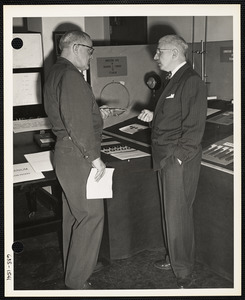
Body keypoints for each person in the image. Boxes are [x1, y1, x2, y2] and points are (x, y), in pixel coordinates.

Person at [44, 30, 111, 290]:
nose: (91, 56)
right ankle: (77, 281)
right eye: (89, 50)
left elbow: (71, 113)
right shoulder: (71, 76)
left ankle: (75, 268)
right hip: (79, 156)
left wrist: (97, 111)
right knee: (91, 217)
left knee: (74, 215)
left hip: (66, 153)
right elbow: (76, 123)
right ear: (75, 48)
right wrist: (95, 159)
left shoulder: (56, 72)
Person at [138, 35, 207, 289]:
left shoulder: (191, 81)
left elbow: (194, 128)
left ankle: (183, 271)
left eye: (159, 52)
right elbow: (176, 113)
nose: (156, 57)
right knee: (171, 213)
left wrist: (177, 158)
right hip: (166, 156)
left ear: (175, 53)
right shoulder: (174, 79)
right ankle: (175, 257)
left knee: (178, 215)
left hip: (178, 159)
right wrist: (155, 115)